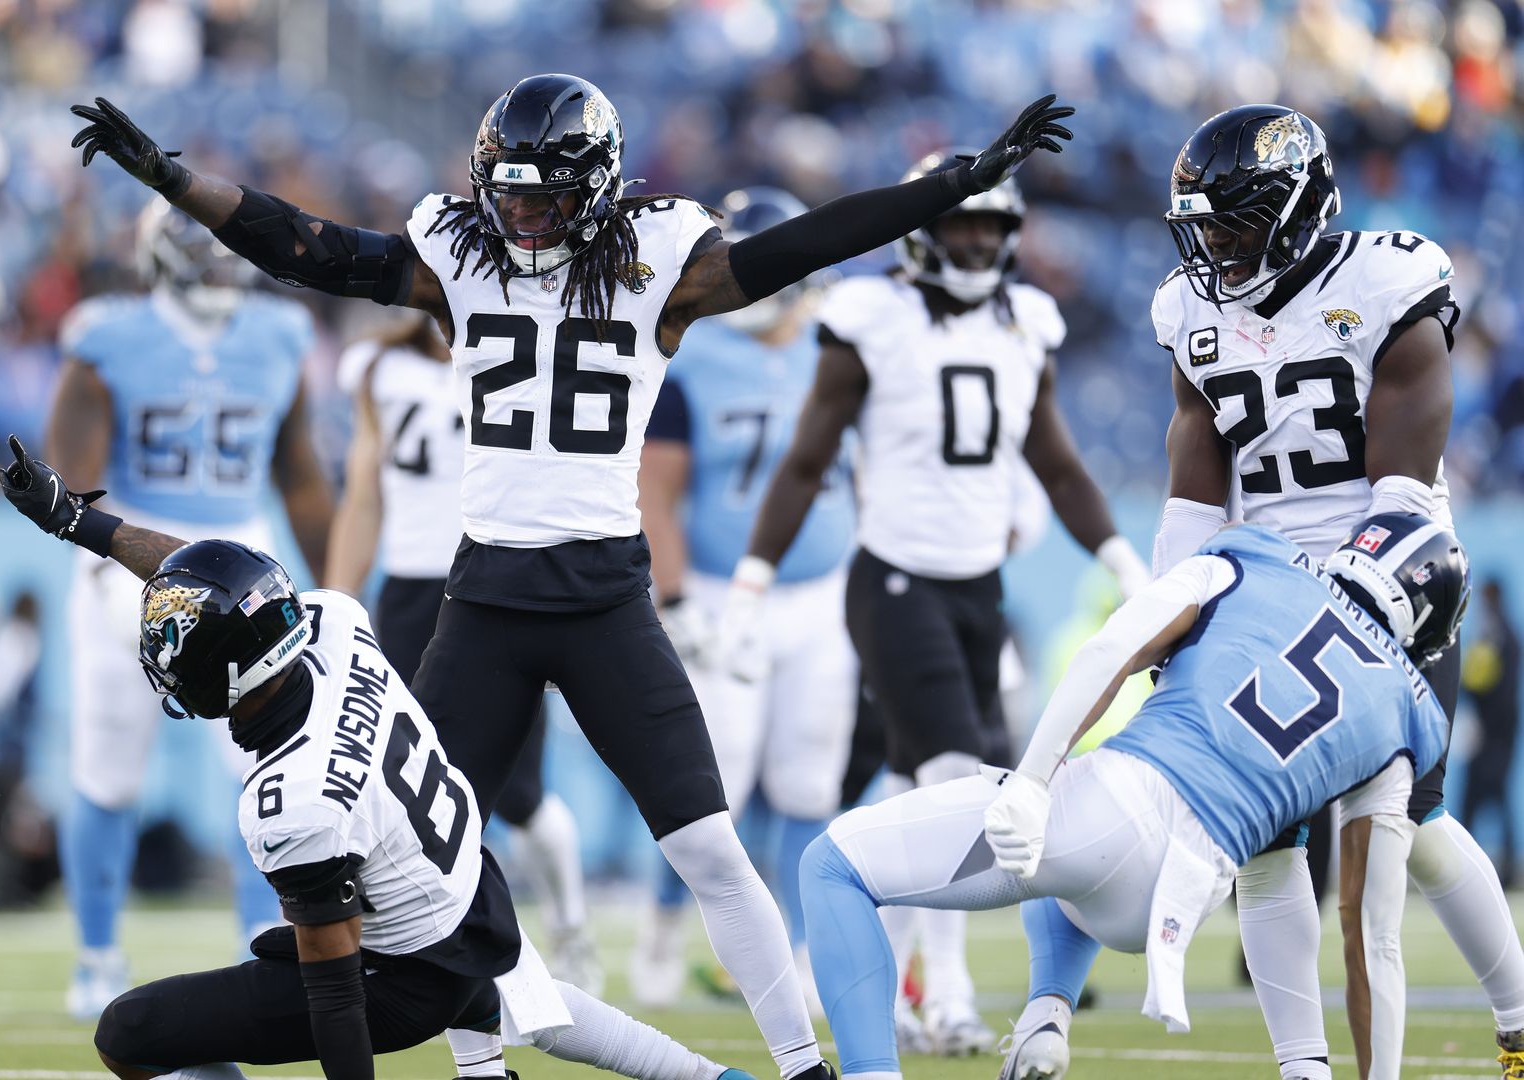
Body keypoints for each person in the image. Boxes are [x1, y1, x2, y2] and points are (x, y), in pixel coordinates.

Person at [68, 76, 1074, 1080]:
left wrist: (950, 186)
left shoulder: (658, 262)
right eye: (508, 195)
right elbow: (306, 247)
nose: (521, 218)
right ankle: (480, 1068)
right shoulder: (459, 255)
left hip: (604, 602)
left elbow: (803, 245)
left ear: (596, 188)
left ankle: (802, 1068)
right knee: (438, 858)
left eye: (545, 197)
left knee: (709, 848)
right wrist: (171, 178)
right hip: (486, 602)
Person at [0, 437, 754, 1080]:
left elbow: (337, 1003)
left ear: (221, 680)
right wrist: (78, 523)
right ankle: (713, 1077)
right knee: (528, 1001)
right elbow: (215, 586)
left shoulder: (292, 801)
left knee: (131, 1031)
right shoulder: (333, 623)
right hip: (469, 896)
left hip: (405, 975)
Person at [798, 513, 1466, 1080]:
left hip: (1116, 807)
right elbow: (1372, 933)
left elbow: (1110, 650)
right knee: (1075, 861)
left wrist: (1030, 780)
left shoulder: (1255, 555)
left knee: (832, 865)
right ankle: (1048, 1014)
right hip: (1182, 896)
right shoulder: (1407, 714)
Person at [733, 150, 1147, 1054]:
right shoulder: (872, 317)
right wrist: (753, 578)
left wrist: (1123, 559)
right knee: (959, 780)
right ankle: (948, 995)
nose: (975, 243)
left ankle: (841, 972)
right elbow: (807, 461)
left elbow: (1056, 463)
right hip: (894, 579)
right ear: (923, 233)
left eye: (989, 227)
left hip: (977, 589)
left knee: (907, 788)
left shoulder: (1024, 324)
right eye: (959, 224)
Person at [1143, 103, 1524, 1077]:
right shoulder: (1192, 312)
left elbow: (1403, 492)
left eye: (1235, 224)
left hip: (1395, 584)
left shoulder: (1387, 283)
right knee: (1266, 843)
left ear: (1297, 210)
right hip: (1263, 594)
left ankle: (1519, 1018)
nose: (1216, 249)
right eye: (1205, 228)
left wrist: (1335, 603)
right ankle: (1304, 1067)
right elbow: (1194, 494)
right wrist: (1169, 615)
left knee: (1399, 836)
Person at [43, 197, 335, 1019]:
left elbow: (300, 475)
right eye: (200, 250)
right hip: (132, 551)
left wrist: (336, 583)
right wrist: (95, 548)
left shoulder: (279, 335)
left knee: (268, 763)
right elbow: (71, 476)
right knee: (107, 764)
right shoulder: (107, 335)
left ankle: (261, 941)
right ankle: (97, 956)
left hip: (245, 553)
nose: (218, 265)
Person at [323, 314, 599, 991]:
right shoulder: (378, 369)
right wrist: (335, 602)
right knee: (403, 785)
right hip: (412, 594)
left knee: (522, 794)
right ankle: (429, 946)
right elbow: (365, 496)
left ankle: (569, 929)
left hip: (500, 584)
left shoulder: (528, 355)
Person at [632, 186, 856, 1010]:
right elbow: (656, 490)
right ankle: (662, 931)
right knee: (709, 785)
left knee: (809, 782)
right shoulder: (691, 358)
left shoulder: (841, 346)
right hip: (723, 592)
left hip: (822, 593)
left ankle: (802, 950)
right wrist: (675, 596)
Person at [1464, 577, 1519, 885]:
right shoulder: (1488, 635)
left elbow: (1500, 692)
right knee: (1474, 802)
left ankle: (1505, 870)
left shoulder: (1504, 638)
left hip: (1496, 738)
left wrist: (1485, 727)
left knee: (1494, 799)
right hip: (1487, 735)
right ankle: (1469, 868)